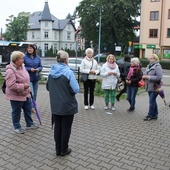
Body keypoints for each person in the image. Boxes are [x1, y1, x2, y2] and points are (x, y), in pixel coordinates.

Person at [46, 50, 79, 156]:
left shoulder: (51, 71)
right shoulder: (68, 72)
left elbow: (47, 87)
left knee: (57, 126)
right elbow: (76, 89)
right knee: (66, 127)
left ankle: (57, 149)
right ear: (66, 59)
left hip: (55, 104)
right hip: (67, 105)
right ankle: (64, 149)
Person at [5, 51, 38, 134]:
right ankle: (17, 127)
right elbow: (11, 85)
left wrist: (28, 88)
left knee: (28, 109)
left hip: (25, 94)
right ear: (15, 60)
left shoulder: (22, 67)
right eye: (21, 59)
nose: (23, 60)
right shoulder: (10, 70)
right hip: (16, 95)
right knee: (16, 112)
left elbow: (26, 79)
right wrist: (23, 86)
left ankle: (29, 124)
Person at [142, 54, 162, 121]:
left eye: (151, 58)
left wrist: (148, 77)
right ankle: (155, 115)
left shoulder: (158, 66)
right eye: (149, 58)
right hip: (149, 86)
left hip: (154, 87)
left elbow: (159, 77)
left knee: (151, 101)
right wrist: (144, 76)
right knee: (153, 101)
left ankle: (149, 116)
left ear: (155, 59)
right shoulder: (149, 65)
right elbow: (145, 73)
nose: (149, 59)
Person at [23, 44, 42, 113]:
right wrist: (29, 69)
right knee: (32, 93)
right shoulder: (24, 57)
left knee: (35, 94)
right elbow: (22, 67)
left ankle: (33, 106)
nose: (29, 49)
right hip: (28, 78)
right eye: (28, 48)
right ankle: (30, 107)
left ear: (34, 49)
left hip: (36, 78)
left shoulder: (38, 57)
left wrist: (38, 69)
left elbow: (41, 66)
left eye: (31, 48)